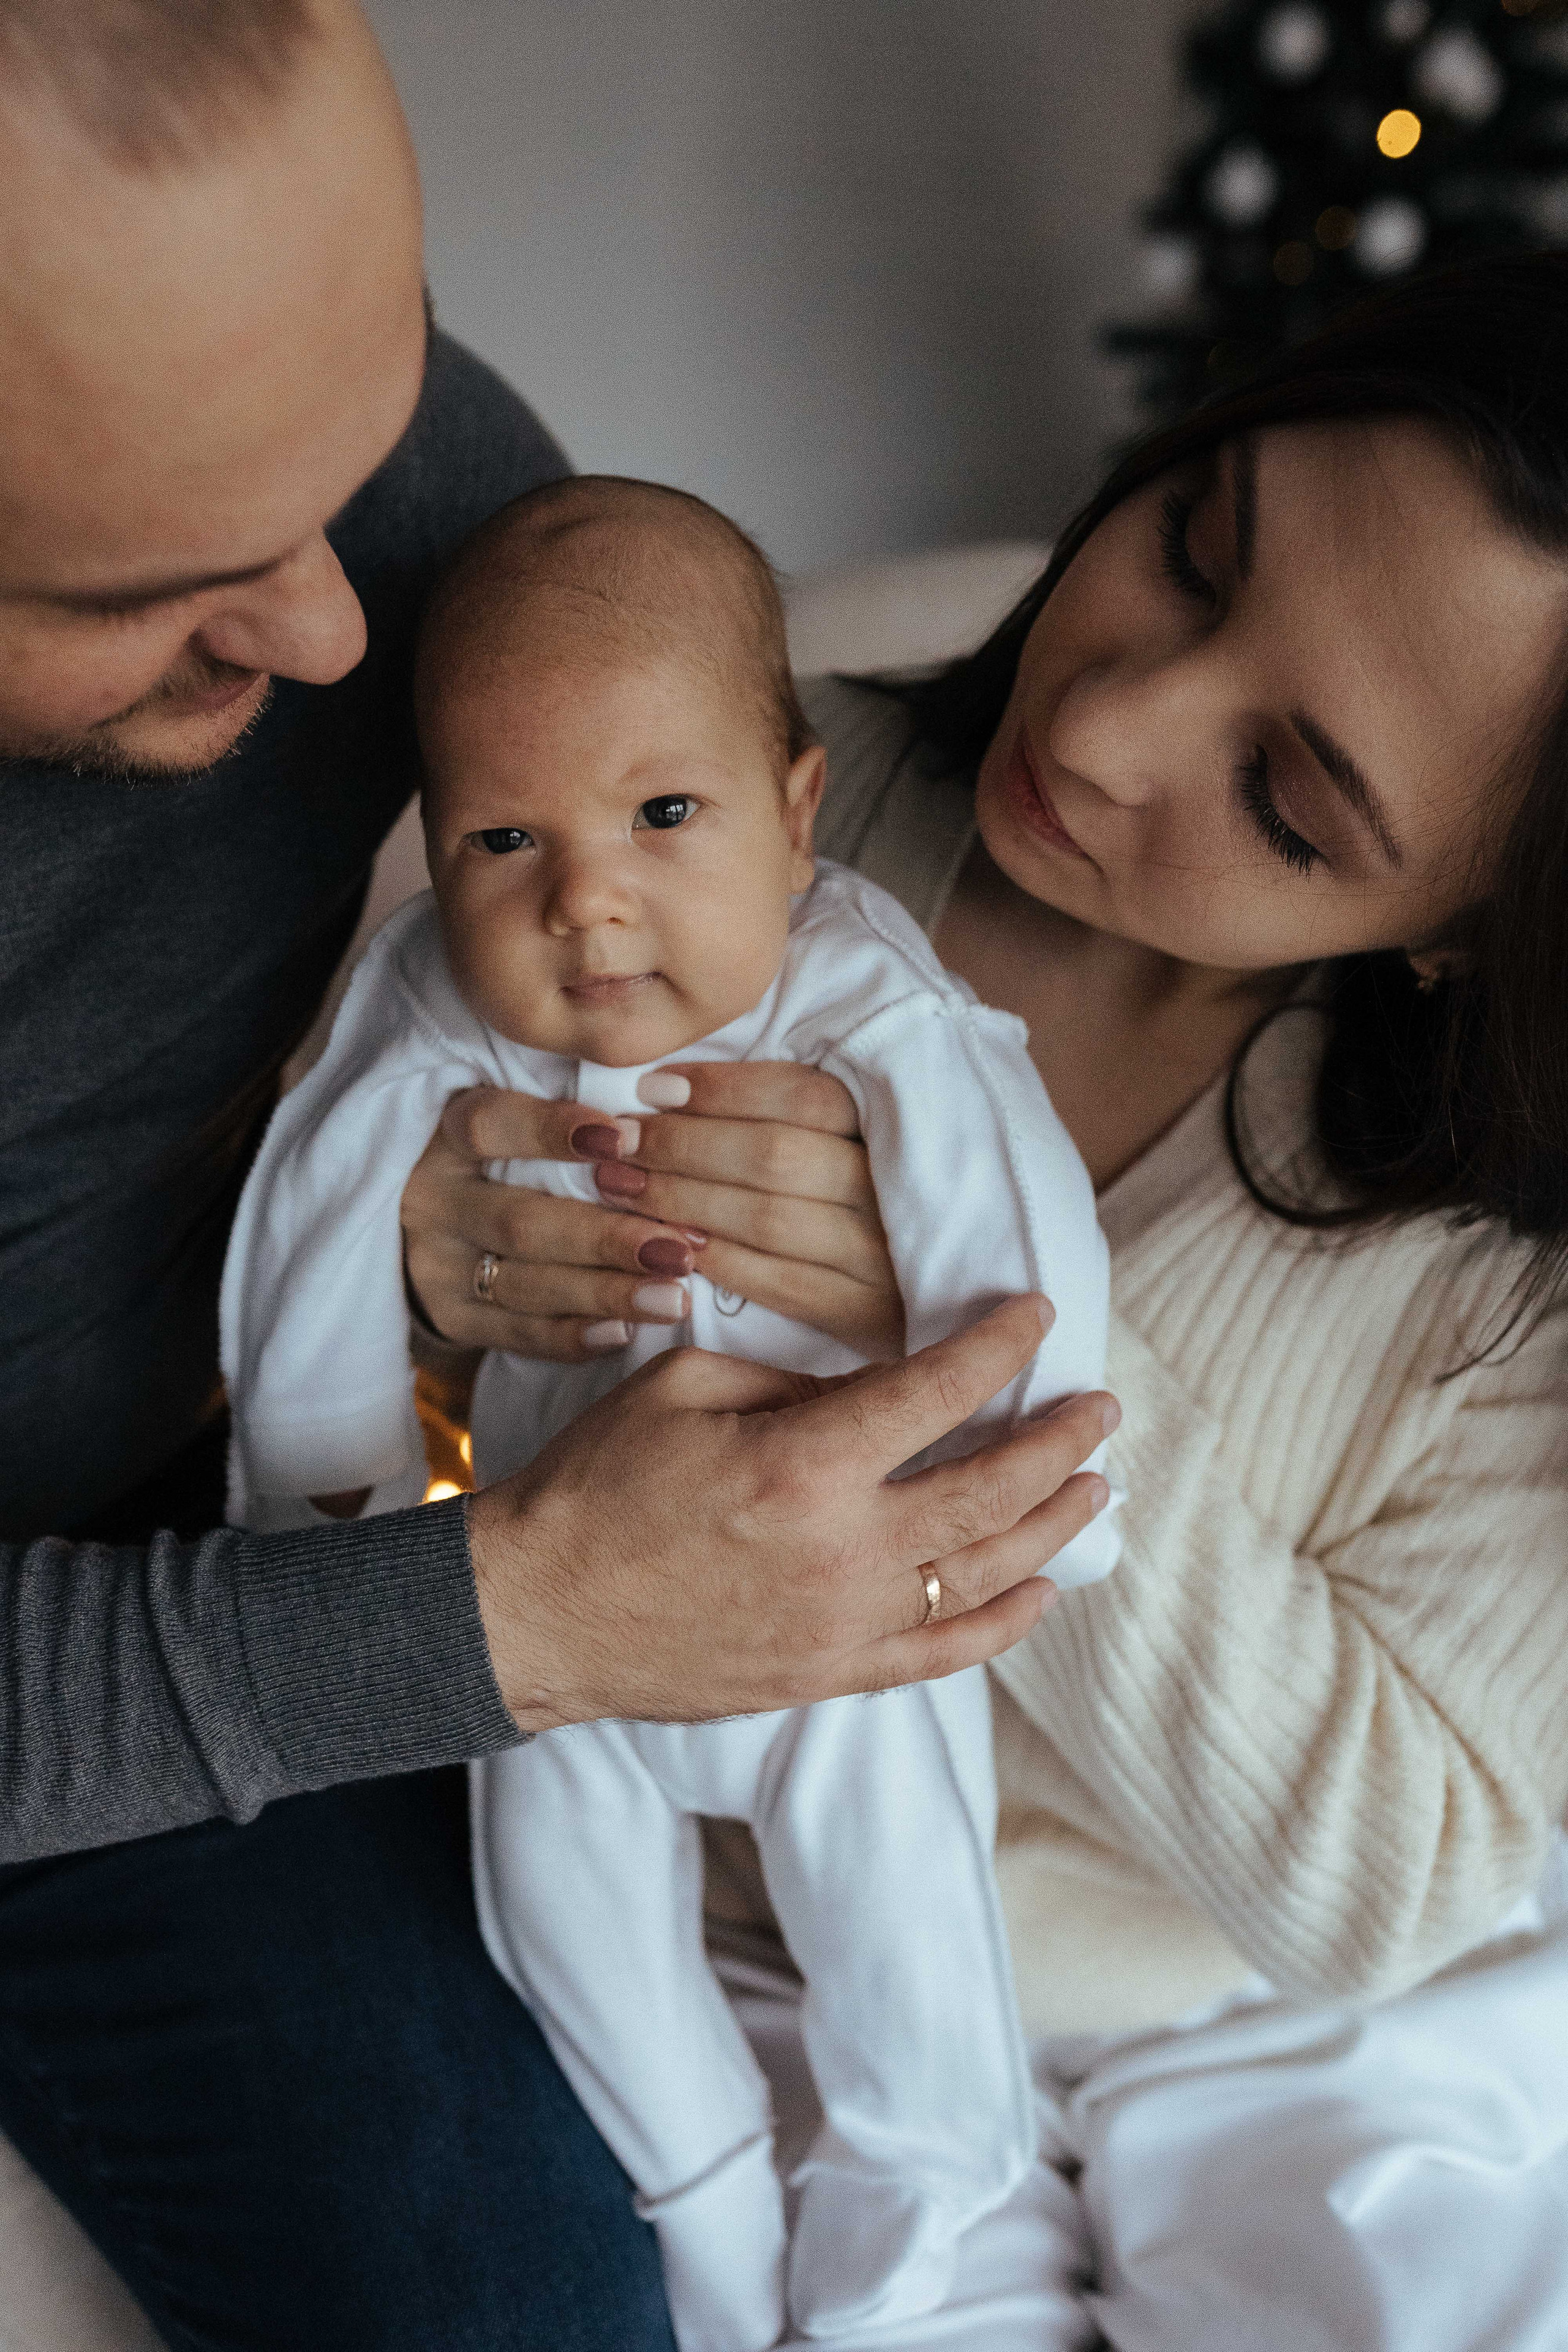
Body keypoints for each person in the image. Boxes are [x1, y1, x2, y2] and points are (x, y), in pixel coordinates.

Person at [0, 6, 1112, 2347]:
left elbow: (663, 787)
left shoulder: (430, 512)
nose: (338, 641)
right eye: (162, 580)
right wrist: (481, 1621)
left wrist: (456, 1258)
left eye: (366, 420)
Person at [456, 258, 1568, 2349]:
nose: (1105, 720)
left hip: (1205, 2012)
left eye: (1290, 800)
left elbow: (1383, 1893)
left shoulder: (1505, 1296)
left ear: (1468, 933)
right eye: (1194, 544)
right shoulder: (722, 811)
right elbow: (394, 1391)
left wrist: (973, 1294)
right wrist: (446, 1259)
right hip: (703, 1947)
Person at [221, 474, 1119, 2350]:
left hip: (840, 1609)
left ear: (797, 817)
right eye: (499, 838)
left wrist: (1036, 1486)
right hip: (559, 1597)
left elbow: (1007, 1227)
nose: (588, 897)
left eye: (663, 813)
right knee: (556, 1915)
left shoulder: (867, 996)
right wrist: (325, 1497)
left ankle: (921, 2189)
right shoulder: (438, 1007)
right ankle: (700, 2182)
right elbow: (319, 1198)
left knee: (907, 1931)